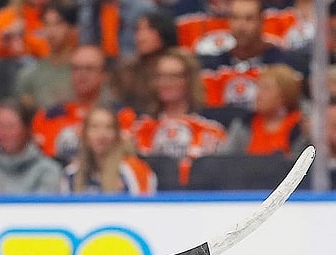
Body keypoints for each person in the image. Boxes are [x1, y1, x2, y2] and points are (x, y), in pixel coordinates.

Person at [131, 47, 227, 186]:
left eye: (173, 76)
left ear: (189, 80)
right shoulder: (140, 129)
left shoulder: (212, 130)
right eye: (160, 76)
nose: (165, 82)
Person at [0, 98, 63, 194]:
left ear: (27, 129)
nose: (4, 133)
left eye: (10, 126)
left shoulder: (48, 171)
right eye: (0, 126)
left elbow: (44, 208)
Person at [63, 106, 157, 195]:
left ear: (117, 134)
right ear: (84, 134)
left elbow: (142, 208)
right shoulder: (71, 174)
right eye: (94, 127)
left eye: (109, 127)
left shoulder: (134, 170)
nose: (102, 134)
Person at [220, 64, 305, 156]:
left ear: (284, 94)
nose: (258, 95)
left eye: (266, 88)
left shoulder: (301, 127)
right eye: (258, 87)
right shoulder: (243, 125)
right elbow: (225, 161)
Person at [14, 1, 79, 109]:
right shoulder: (29, 74)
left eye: (58, 24)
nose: (51, 31)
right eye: (46, 24)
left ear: (73, 28)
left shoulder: (83, 71)